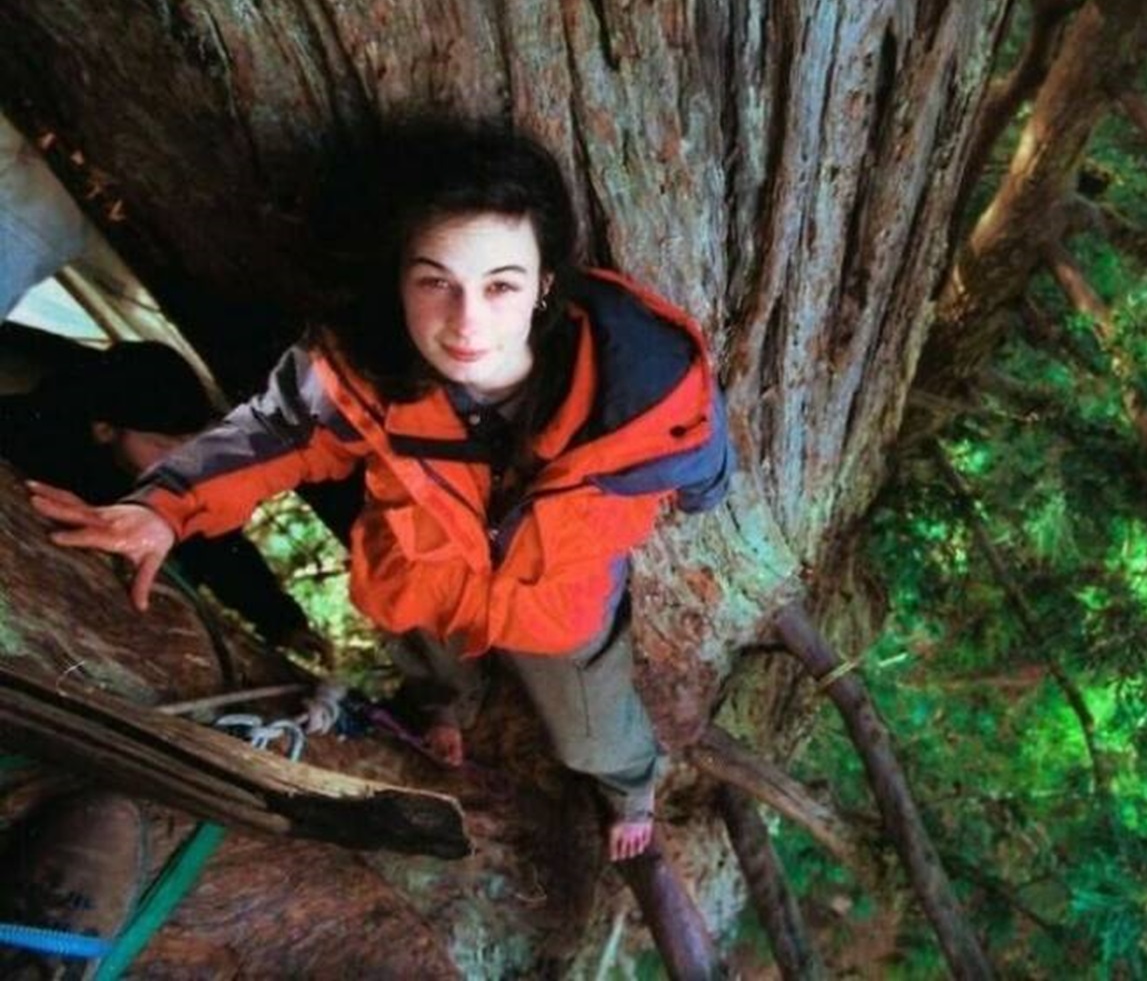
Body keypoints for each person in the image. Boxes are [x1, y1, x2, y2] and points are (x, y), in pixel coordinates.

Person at [27, 118, 733, 862]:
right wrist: (160, 506)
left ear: (545, 284)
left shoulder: (643, 387)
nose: (467, 323)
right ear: (399, 278)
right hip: (421, 570)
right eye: (435, 281)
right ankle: (442, 707)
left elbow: (703, 464)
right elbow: (269, 434)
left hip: (559, 594)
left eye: (500, 285)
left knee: (589, 729)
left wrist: (697, 498)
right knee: (430, 663)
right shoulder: (360, 369)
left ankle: (628, 783)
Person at [3, 340, 329, 664]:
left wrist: (281, 621)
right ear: (104, 429)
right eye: (162, 444)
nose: (178, 460)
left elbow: (218, 550)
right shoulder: (24, 432)